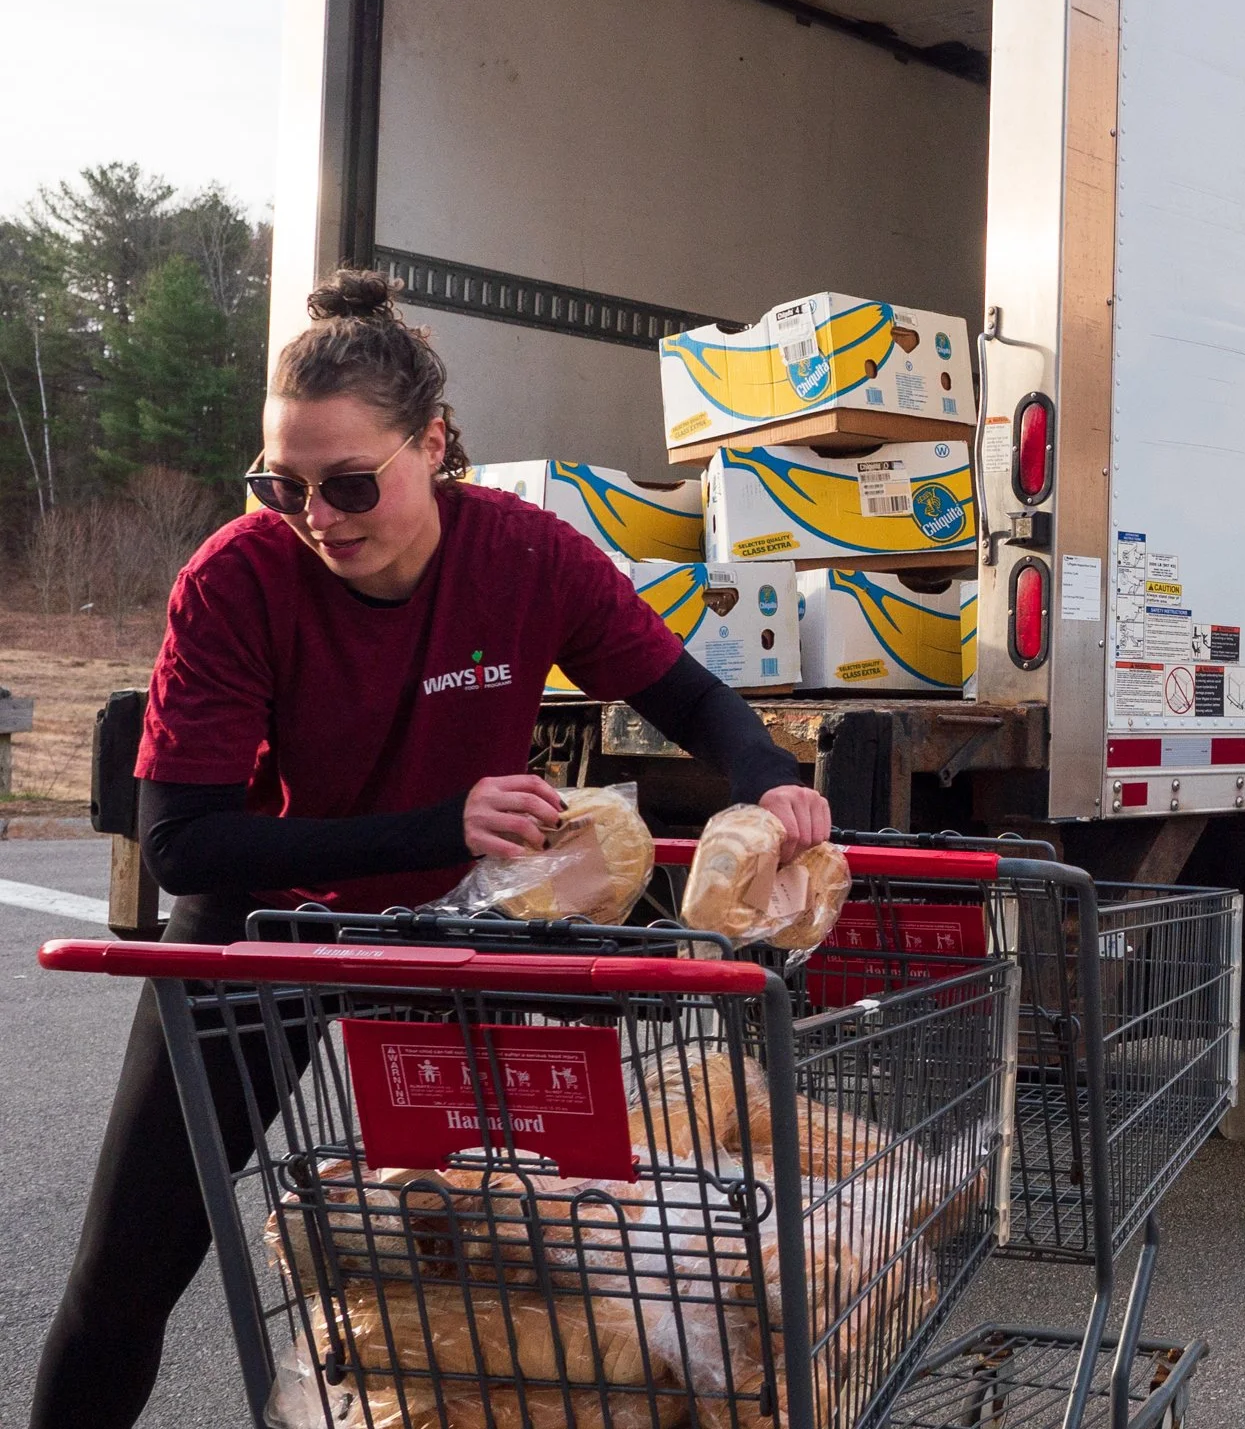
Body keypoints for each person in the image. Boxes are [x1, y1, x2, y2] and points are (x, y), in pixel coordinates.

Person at [31, 269, 831, 1428]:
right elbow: (185, 845)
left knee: (527, 1283)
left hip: (448, 938)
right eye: (283, 484)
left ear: (435, 445)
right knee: (125, 1277)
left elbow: (692, 698)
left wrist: (772, 782)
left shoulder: (524, 556)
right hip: (264, 931)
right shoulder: (236, 578)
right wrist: (437, 821)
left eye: (351, 482)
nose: (319, 515)